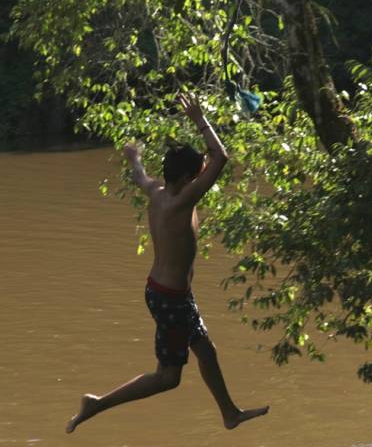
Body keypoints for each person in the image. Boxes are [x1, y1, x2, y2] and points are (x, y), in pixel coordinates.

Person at [66, 94, 269, 434]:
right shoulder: (182, 200)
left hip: (165, 292)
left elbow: (138, 176)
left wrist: (135, 157)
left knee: (206, 350)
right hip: (172, 298)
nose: (203, 177)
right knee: (167, 377)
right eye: (199, 173)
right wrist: (200, 118)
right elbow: (221, 157)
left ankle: (230, 413)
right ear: (190, 177)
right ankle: (97, 403)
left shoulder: (157, 192)